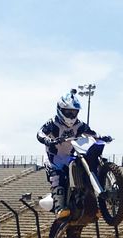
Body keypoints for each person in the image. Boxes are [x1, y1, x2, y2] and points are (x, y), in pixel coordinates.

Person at [36, 89, 111, 218]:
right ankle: (60, 208)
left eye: (74, 112)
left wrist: (102, 137)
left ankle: (95, 206)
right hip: (54, 159)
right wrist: (48, 140)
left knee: (85, 172)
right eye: (68, 112)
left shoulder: (79, 124)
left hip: (71, 157)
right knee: (57, 178)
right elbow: (40, 133)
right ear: (60, 110)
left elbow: (92, 133)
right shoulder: (53, 123)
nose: (71, 115)